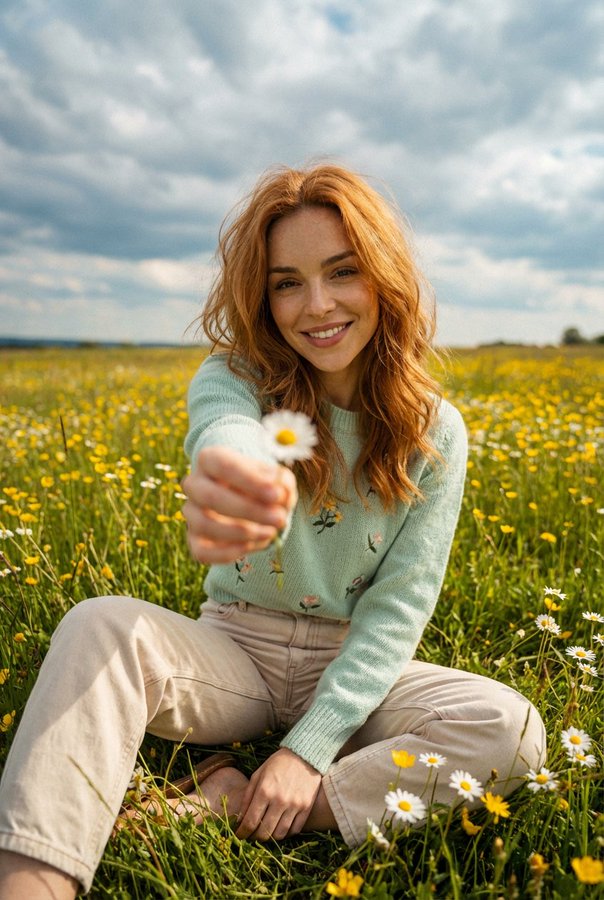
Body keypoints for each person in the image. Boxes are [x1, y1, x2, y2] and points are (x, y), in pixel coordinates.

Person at [0, 163, 546, 898]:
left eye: (341, 272)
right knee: (98, 626)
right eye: (288, 282)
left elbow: (397, 610)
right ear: (264, 296)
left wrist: (308, 754)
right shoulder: (237, 376)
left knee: (512, 730)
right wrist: (243, 470)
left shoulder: (436, 433)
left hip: (353, 669)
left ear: (383, 278)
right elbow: (225, 432)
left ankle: (248, 801)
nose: (315, 305)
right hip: (233, 652)